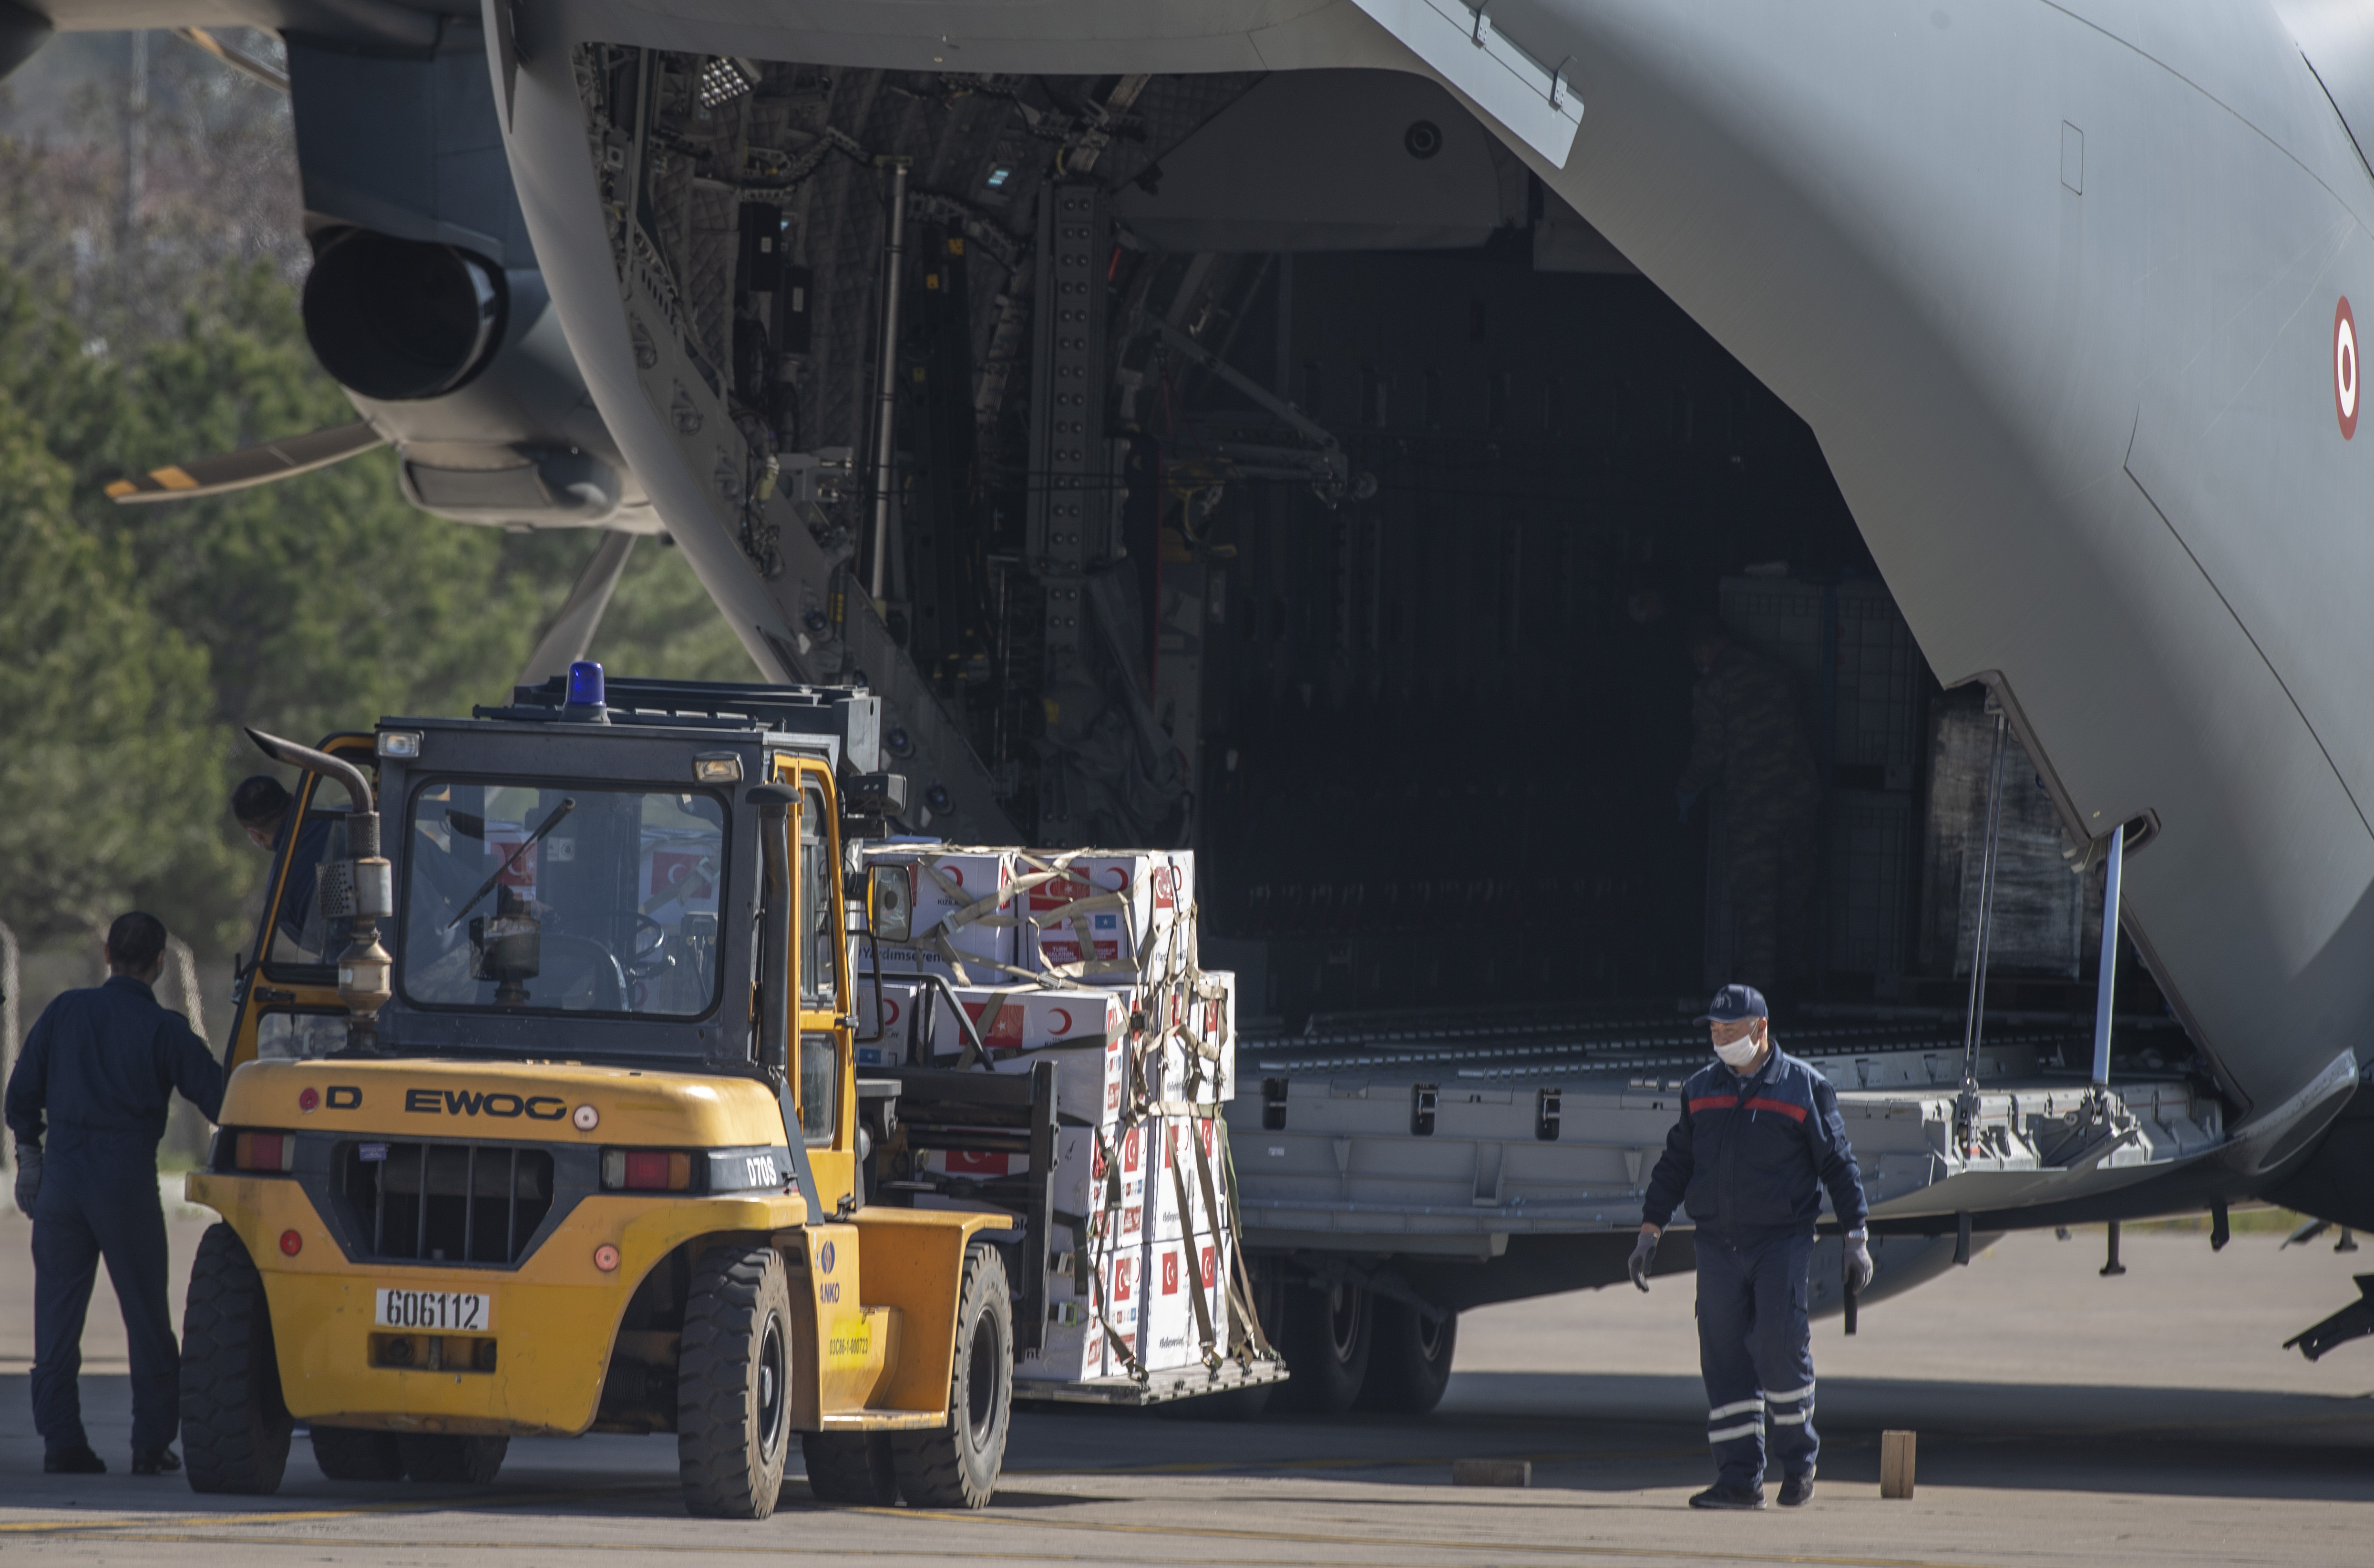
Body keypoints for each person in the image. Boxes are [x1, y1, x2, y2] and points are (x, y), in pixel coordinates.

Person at [1627, 984, 1871, 1510]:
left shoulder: (1804, 1088)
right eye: (1714, 1030)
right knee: (1723, 1360)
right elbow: (1675, 1165)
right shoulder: (1699, 1090)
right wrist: (1650, 1231)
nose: (1719, 1039)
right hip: (1716, 1244)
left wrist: (1856, 1237)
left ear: (1760, 1030)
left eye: (1729, 1030)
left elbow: (1839, 1166)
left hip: (1779, 1242)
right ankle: (1738, 1479)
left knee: (1779, 1347)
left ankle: (1799, 1464)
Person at [6, 912, 226, 1476]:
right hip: (125, 1180)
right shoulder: (166, 1030)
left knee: (56, 1319)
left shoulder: (64, 1011)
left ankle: (62, 1443)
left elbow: (21, 1095)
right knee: (148, 1319)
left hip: (61, 1179)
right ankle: (151, 1445)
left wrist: (29, 1157)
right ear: (159, 963)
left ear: (107, 955)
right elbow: (221, 1099)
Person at [1675, 616, 1823, 992]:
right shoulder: (1776, 674)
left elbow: (1710, 753)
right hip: (1799, 799)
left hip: (1754, 806)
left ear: (1705, 648)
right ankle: (1794, 985)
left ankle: (1760, 996)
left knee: (1756, 900)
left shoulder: (1714, 687)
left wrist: (1686, 783)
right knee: (1793, 893)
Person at [234, 774, 333, 956]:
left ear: (256, 835)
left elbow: (317, 945)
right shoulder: (352, 816)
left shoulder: (278, 889)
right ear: (293, 799)